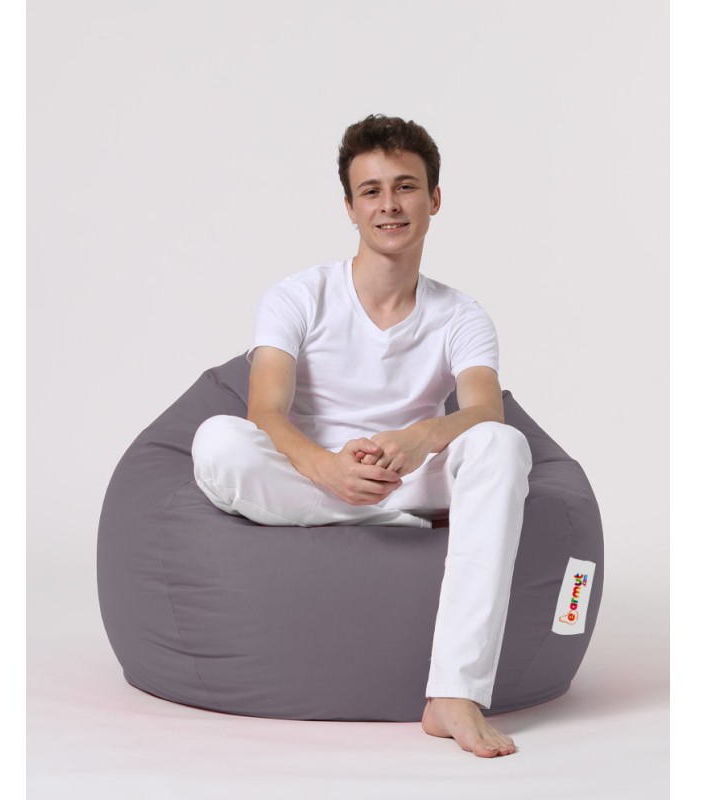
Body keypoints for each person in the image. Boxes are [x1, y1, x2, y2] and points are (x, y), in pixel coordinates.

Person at [192, 114, 533, 758]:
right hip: (313, 477)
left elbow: (485, 409)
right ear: (350, 207)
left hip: (412, 479)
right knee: (217, 443)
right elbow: (266, 411)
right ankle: (391, 524)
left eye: (405, 187)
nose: (389, 205)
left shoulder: (461, 313)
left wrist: (421, 437)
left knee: (502, 446)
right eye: (371, 191)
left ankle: (455, 693)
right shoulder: (298, 296)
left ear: (434, 199)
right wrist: (328, 468)